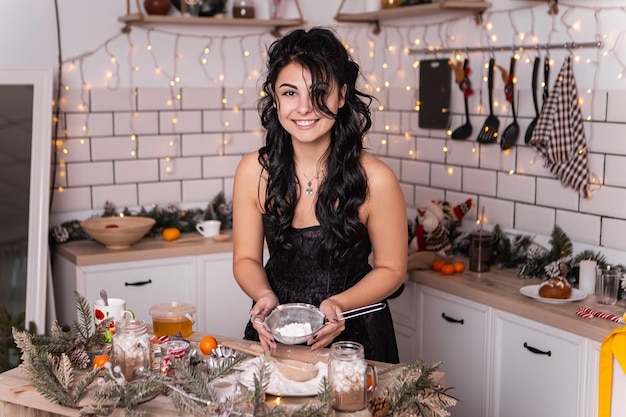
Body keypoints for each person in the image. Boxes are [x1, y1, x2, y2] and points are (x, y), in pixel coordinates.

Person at [232, 27, 407, 363]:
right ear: (274, 97)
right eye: (289, 93)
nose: (304, 108)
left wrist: (339, 304)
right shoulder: (253, 172)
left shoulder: (377, 179)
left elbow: (391, 269)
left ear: (341, 95)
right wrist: (263, 295)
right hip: (275, 332)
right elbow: (246, 260)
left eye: (319, 91)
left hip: (356, 337)